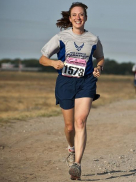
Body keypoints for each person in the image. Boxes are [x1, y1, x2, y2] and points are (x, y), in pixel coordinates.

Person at [39, 2, 104, 180]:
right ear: (70, 18)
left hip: (86, 82)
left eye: (81, 14)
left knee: (80, 121)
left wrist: (99, 68)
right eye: (74, 15)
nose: (78, 17)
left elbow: (100, 57)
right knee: (69, 127)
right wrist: (53, 63)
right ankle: (71, 148)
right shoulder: (61, 37)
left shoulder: (93, 39)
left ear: (86, 17)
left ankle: (77, 164)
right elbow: (42, 58)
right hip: (66, 83)